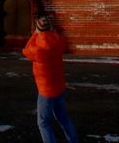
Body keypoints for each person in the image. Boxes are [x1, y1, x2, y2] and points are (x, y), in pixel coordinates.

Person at [23, 15, 79, 143]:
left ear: (38, 30)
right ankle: (73, 140)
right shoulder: (59, 41)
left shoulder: (37, 48)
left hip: (45, 90)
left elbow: (26, 51)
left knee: (43, 122)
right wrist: (49, 31)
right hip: (59, 86)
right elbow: (56, 36)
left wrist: (35, 34)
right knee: (63, 116)